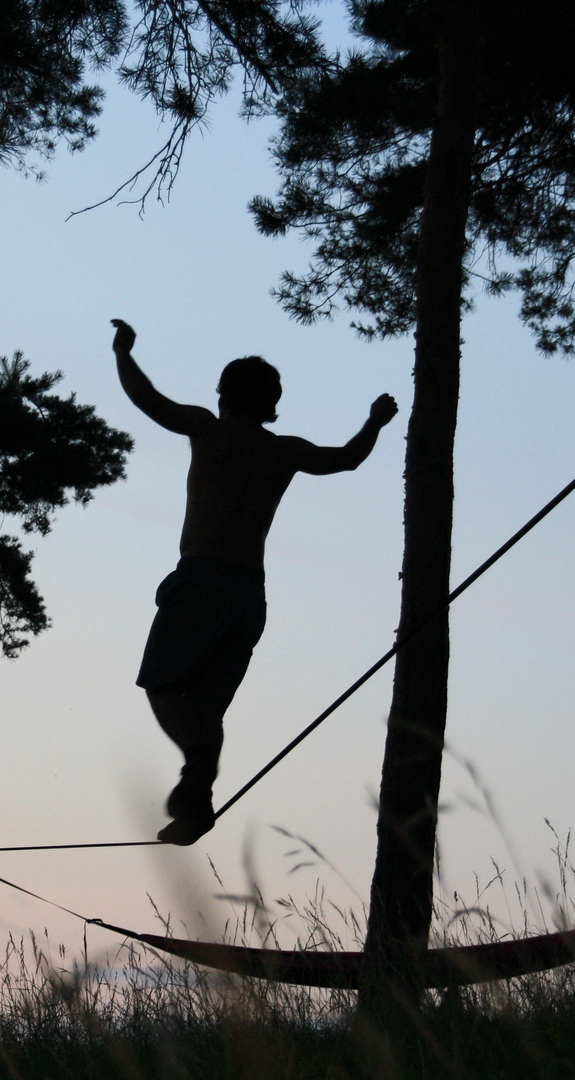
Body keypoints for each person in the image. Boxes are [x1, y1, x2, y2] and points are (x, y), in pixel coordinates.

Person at [112, 318, 399, 845]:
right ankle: (196, 809)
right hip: (249, 595)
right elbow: (346, 460)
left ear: (223, 397)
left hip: (201, 581)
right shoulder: (283, 450)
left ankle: (197, 762)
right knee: (208, 709)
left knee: (162, 686)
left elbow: (146, 399)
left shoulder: (208, 429)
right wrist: (375, 421)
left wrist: (123, 351)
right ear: (271, 403)